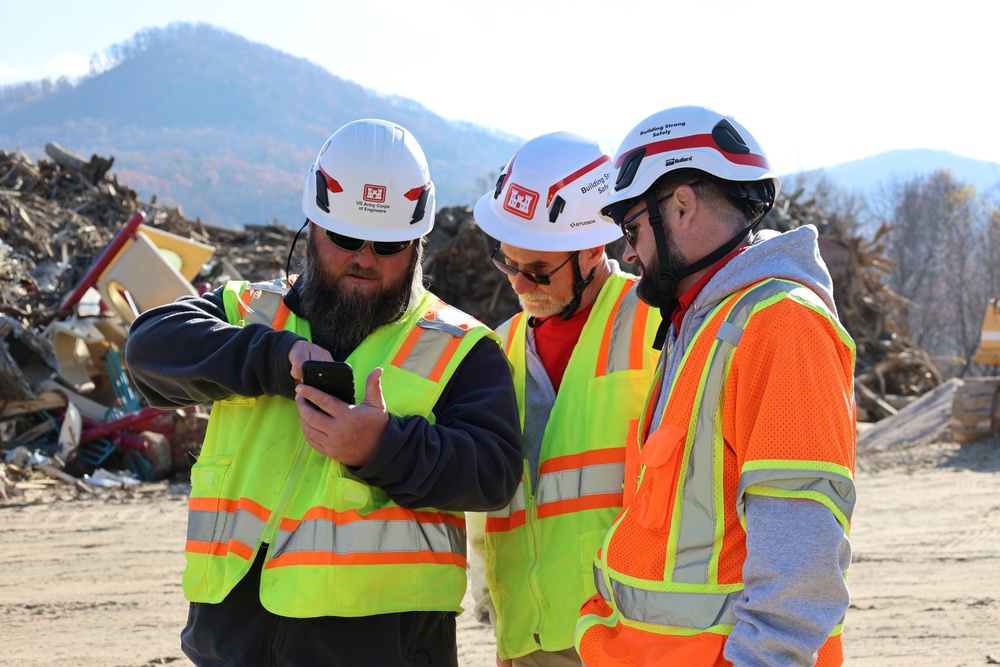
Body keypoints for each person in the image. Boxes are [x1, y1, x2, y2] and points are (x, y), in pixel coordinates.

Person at [124, 118, 523, 667]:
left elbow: (493, 473)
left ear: (416, 245)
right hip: (229, 648)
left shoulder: (459, 348)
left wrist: (383, 448)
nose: (364, 256)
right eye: (344, 238)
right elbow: (147, 350)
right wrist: (266, 356)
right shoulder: (253, 311)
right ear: (311, 227)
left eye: (387, 244)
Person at [575, 106, 857, 666]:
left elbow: (799, 569)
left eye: (632, 229)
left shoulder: (780, 325)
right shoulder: (703, 323)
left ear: (680, 205)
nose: (627, 253)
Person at [467, 131, 661, 667]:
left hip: (627, 635)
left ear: (594, 247)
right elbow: (495, 501)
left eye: (537, 271)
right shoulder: (499, 347)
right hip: (527, 639)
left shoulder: (657, 326)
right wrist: (495, 610)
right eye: (508, 264)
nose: (520, 285)